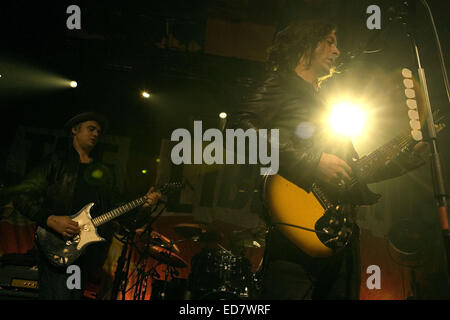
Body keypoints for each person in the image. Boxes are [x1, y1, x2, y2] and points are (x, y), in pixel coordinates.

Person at [231, 20, 428, 300]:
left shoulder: (324, 102)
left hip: (340, 237)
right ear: (305, 44)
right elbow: (240, 130)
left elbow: (352, 173)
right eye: (330, 41)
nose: (337, 50)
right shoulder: (281, 84)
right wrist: (311, 162)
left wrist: (403, 162)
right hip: (296, 237)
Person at [2, 112, 161, 299]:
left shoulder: (103, 173)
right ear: (74, 130)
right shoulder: (55, 162)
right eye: (91, 129)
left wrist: (145, 206)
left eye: (99, 131)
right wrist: (50, 219)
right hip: (56, 245)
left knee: (72, 295)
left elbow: (120, 213)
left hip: (84, 254)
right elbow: (21, 196)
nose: (95, 134)